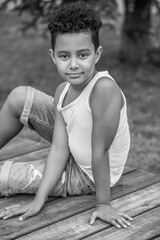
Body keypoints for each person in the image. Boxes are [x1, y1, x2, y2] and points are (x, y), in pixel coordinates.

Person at [0, 1, 133, 229]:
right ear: (53, 56)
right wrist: (39, 200)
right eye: (64, 56)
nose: (73, 65)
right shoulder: (62, 91)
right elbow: (60, 149)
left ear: (97, 54)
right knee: (19, 96)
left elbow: (100, 151)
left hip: (87, 174)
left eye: (82, 55)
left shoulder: (104, 90)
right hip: (74, 148)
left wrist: (103, 204)